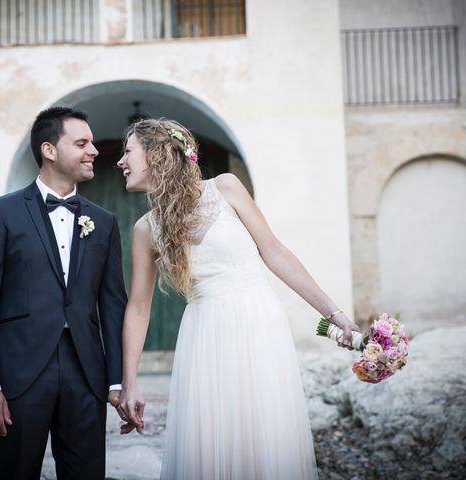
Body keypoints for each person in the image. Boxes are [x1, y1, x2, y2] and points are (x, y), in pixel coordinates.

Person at [116, 118, 359, 479]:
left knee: (264, 433)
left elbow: (274, 252)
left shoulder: (226, 188)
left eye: (128, 151)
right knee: (212, 440)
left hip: (257, 322)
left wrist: (335, 315)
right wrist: (129, 383)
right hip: (203, 335)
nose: (121, 161)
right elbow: (138, 307)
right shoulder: (145, 229)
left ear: (156, 154)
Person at [0, 107, 127, 479]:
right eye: (82, 143)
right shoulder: (0, 213)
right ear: (49, 150)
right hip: (17, 375)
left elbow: (113, 305)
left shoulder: (103, 221)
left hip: (86, 374)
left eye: (93, 143)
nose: (94, 151)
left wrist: (117, 380)